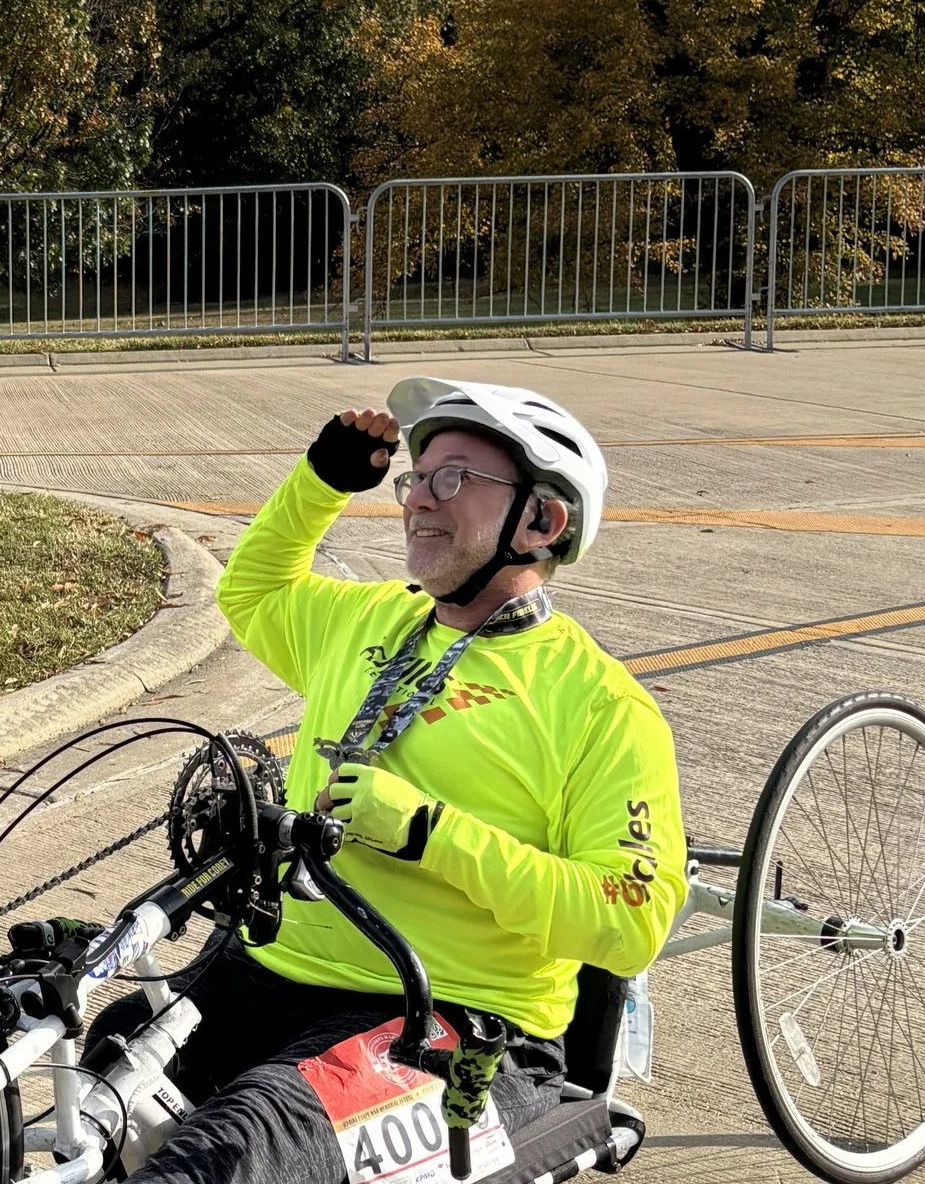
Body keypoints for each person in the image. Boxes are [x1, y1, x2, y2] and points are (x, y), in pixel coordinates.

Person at [119, 377, 687, 1184]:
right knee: (92, 1085)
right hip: (272, 969)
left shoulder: (600, 705)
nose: (417, 498)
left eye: (451, 478)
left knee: (232, 1155)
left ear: (541, 520)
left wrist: (431, 833)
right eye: (415, 477)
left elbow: (630, 922)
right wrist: (321, 483)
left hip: (452, 1018)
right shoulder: (369, 618)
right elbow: (251, 591)